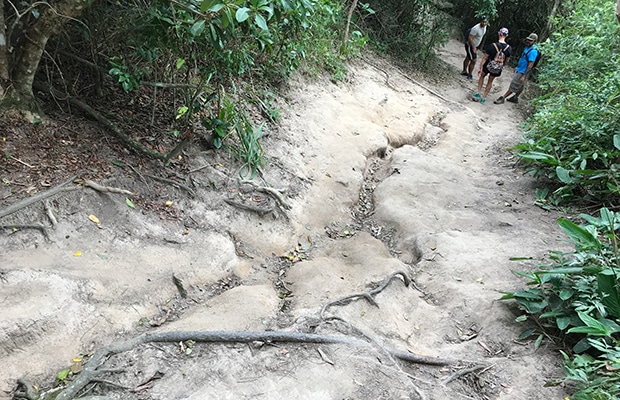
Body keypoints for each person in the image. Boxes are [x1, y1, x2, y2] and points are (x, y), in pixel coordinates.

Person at [494, 33, 539, 104]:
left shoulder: (533, 51)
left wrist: (524, 75)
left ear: (534, 42)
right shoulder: (528, 48)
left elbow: (530, 65)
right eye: (528, 40)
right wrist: (517, 67)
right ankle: (515, 97)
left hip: (523, 71)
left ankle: (503, 97)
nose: (528, 41)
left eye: (530, 41)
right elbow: (523, 59)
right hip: (520, 69)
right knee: (521, 85)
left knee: (514, 84)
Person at [472, 28, 512, 104]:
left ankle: (478, 93)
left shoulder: (492, 45)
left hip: (488, 65)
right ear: (506, 36)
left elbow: (485, 58)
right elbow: (507, 61)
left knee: (482, 76)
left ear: (499, 34)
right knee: (490, 81)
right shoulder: (509, 48)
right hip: (497, 68)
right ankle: (484, 97)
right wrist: (500, 66)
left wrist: (480, 67)